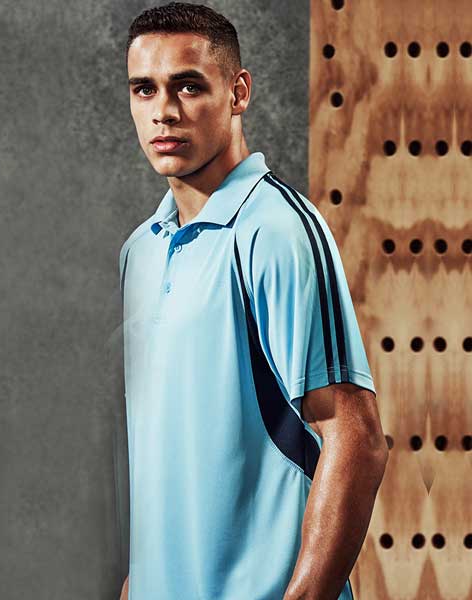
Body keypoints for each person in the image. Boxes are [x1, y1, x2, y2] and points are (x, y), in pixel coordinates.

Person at [119, 3, 388, 599]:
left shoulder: (277, 230)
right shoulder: (139, 250)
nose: (164, 111)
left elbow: (357, 437)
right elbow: (166, 445)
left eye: (189, 86)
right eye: (144, 89)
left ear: (238, 92)